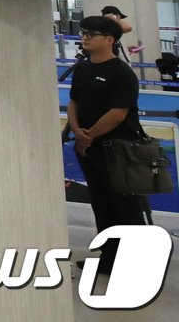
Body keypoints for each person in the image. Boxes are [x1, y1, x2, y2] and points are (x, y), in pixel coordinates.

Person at [67, 15, 148, 277]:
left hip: (119, 150)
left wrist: (88, 136)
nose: (86, 37)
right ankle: (109, 257)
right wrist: (78, 131)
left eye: (93, 33)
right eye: (85, 32)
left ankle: (136, 262)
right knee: (101, 204)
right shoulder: (83, 68)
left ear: (110, 40)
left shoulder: (121, 73)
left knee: (125, 206)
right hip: (89, 149)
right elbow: (74, 102)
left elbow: (118, 113)